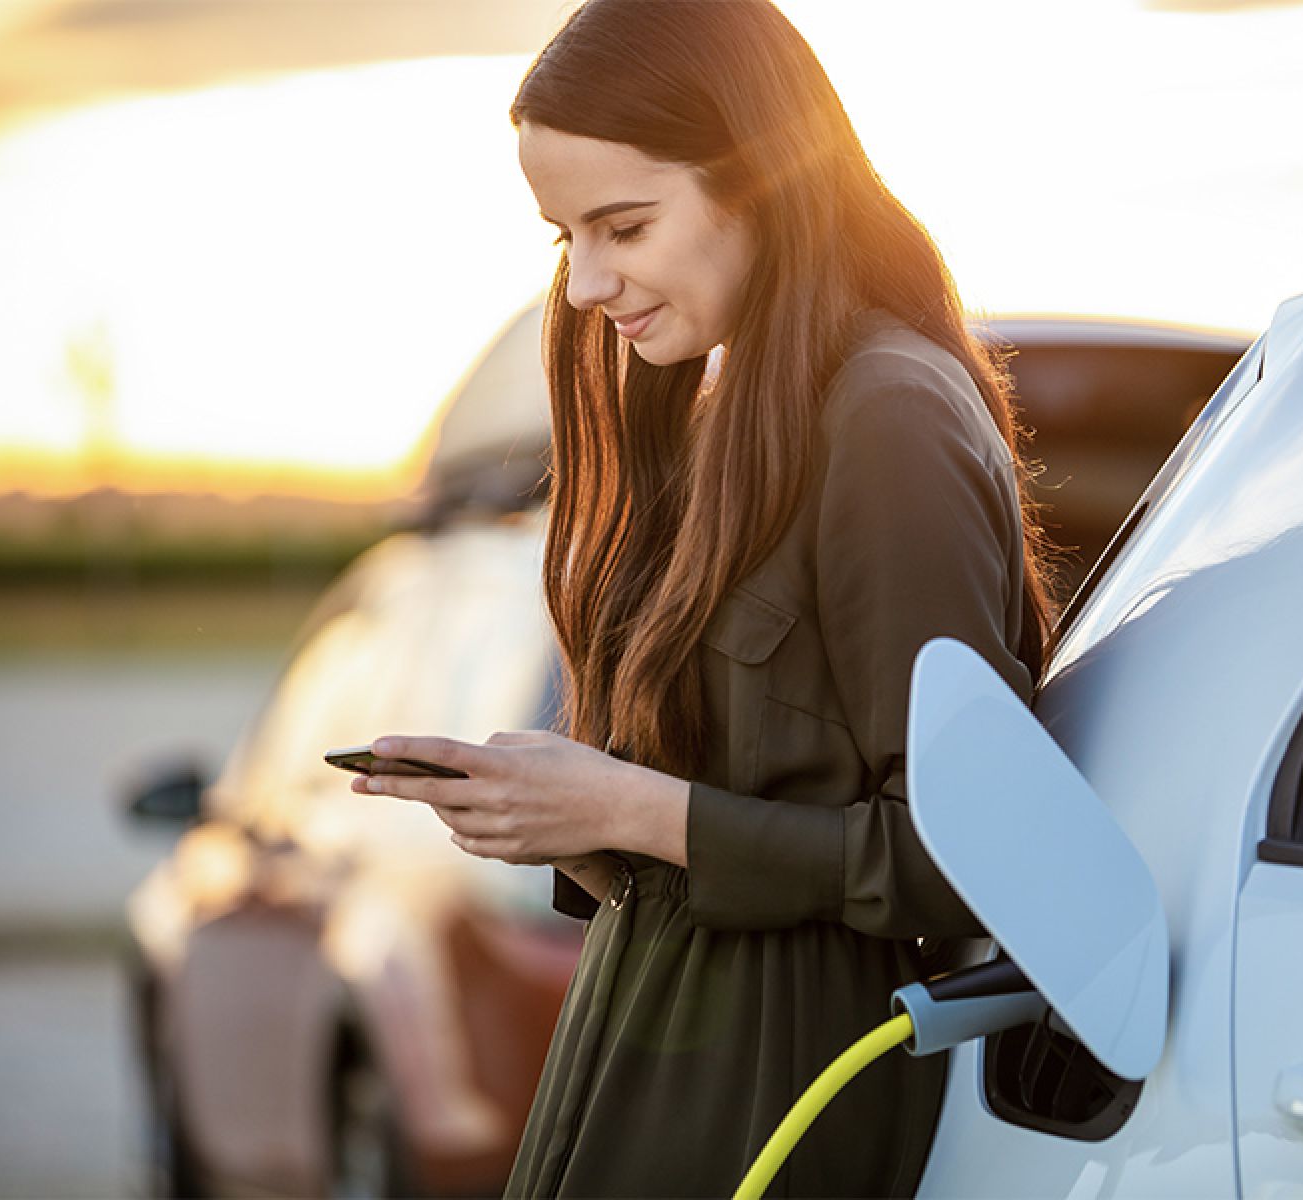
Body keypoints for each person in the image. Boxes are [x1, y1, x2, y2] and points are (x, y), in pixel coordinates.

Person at [354, 0, 1057, 1194]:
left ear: (765, 182)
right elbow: (728, 822)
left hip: (790, 1090)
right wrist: (559, 817)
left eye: (623, 226)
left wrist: (630, 810)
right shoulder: (730, 413)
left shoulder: (885, 415)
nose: (585, 286)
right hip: (652, 1055)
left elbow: (964, 863)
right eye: (564, 237)